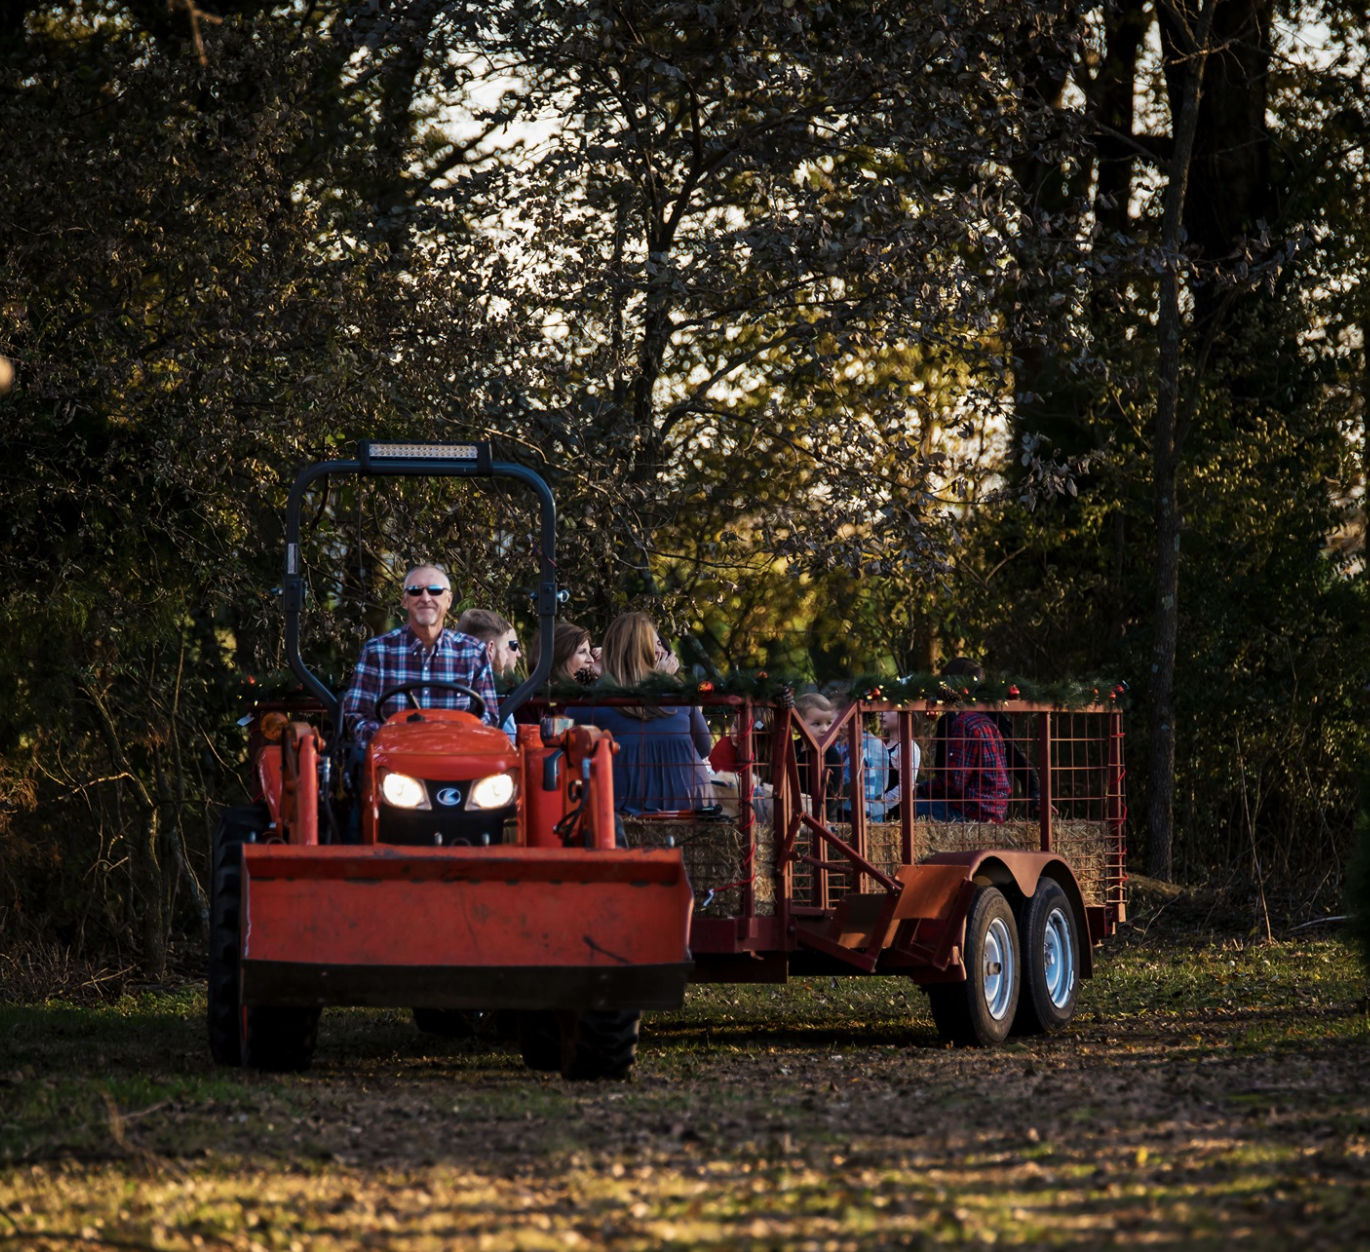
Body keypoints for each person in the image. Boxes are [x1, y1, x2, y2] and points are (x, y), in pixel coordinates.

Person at [341, 564, 501, 749]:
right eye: (416, 591)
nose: (425, 598)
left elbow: (488, 717)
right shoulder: (377, 651)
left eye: (435, 591)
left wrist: (457, 741)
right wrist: (391, 740)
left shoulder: (473, 652)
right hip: (394, 761)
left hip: (455, 758)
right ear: (405, 601)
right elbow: (357, 716)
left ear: (448, 600)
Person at [578, 612, 713, 814]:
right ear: (650, 652)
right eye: (655, 645)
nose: (661, 651)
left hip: (622, 809)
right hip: (691, 801)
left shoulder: (589, 703)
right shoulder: (678, 695)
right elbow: (704, 747)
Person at [927, 657, 1040, 815]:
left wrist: (1035, 794)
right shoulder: (946, 722)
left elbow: (1018, 759)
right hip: (956, 803)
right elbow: (942, 771)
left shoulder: (994, 719)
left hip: (980, 806)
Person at [793, 692, 842, 816]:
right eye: (817, 724)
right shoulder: (793, 748)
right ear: (799, 725)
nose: (825, 729)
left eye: (829, 723)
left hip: (824, 817)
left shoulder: (831, 753)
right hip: (793, 813)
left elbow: (832, 793)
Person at [878, 709, 921, 821]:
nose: (881, 713)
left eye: (889, 710)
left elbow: (905, 786)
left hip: (896, 817)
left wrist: (882, 805)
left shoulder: (908, 747)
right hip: (877, 812)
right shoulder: (880, 744)